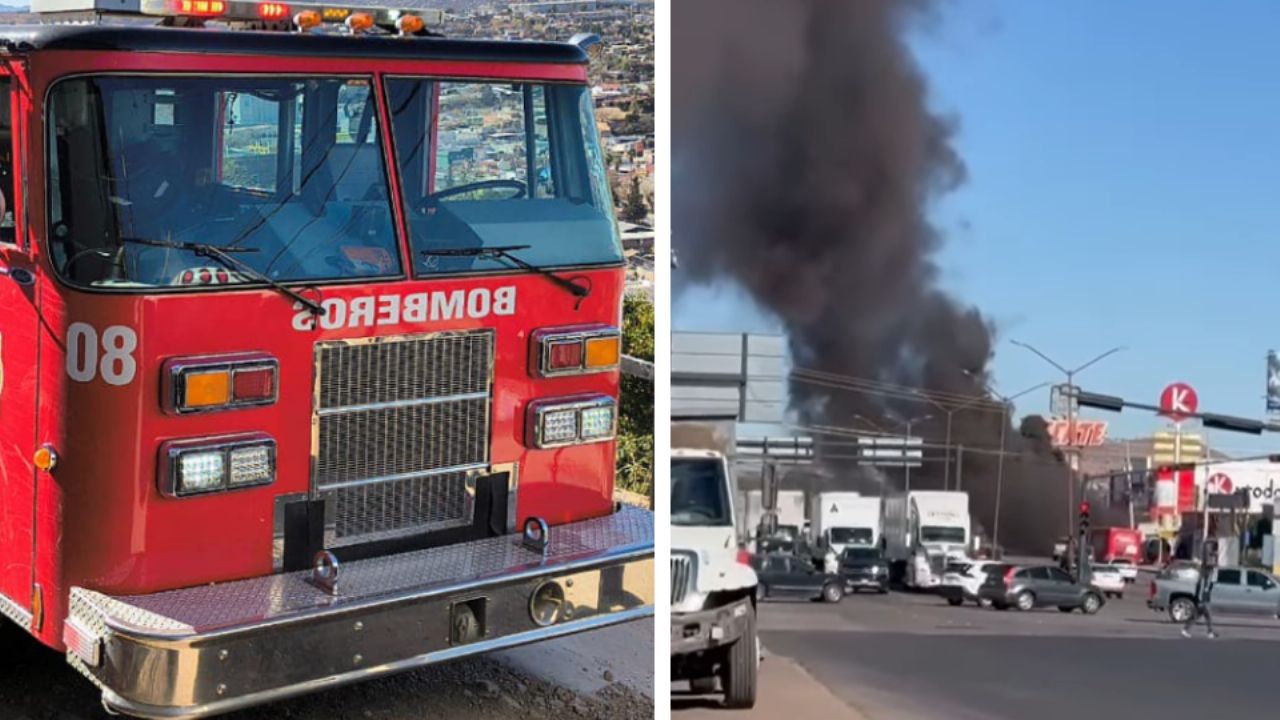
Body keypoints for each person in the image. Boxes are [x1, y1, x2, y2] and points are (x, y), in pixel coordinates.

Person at [1181, 566, 1217, 639]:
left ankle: (1185, 630)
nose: (1212, 573)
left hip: (1204, 601)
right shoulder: (1203, 581)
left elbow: (1212, 584)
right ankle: (1210, 633)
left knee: (1196, 616)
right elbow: (1200, 591)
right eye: (1211, 572)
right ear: (1207, 572)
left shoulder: (1205, 580)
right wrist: (1200, 601)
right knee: (1208, 617)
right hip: (1203, 601)